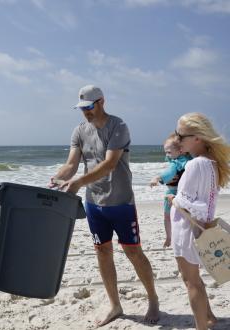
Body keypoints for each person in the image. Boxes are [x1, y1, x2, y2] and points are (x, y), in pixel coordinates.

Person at [50, 85, 159, 327]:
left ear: (101, 102)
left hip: (121, 202)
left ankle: (153, 299)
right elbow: (71, 164)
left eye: (89, 107)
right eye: (81, 108)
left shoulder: (118, 126)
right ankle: (115, 305)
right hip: (94, 204)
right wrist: (59, 178)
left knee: (133, 252)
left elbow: (110, 164)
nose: (85, 112)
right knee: (102, 251)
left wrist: (77, 182)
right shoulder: (79, 131)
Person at [168, 113, 230, 330]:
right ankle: (210, 317)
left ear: (198, 138)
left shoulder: (195, 165)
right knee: (196, 278)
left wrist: (173, 199)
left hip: (187, 228)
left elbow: (188, 203)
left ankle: (201, 326)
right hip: (201, 227)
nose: (177, 140)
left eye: (181, 135)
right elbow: (206, 200)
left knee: (191, 281)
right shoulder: (211, 163)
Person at [149, 133, 191, 247]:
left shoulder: (177, 162)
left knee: (167, 216)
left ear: (181, 150)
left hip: (172, 192)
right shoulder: (190, 158)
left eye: (169, 152)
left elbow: (170, 172)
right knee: (186, 217)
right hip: (187, 193)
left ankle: (169, 237)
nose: (166, 155)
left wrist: (158, 178)